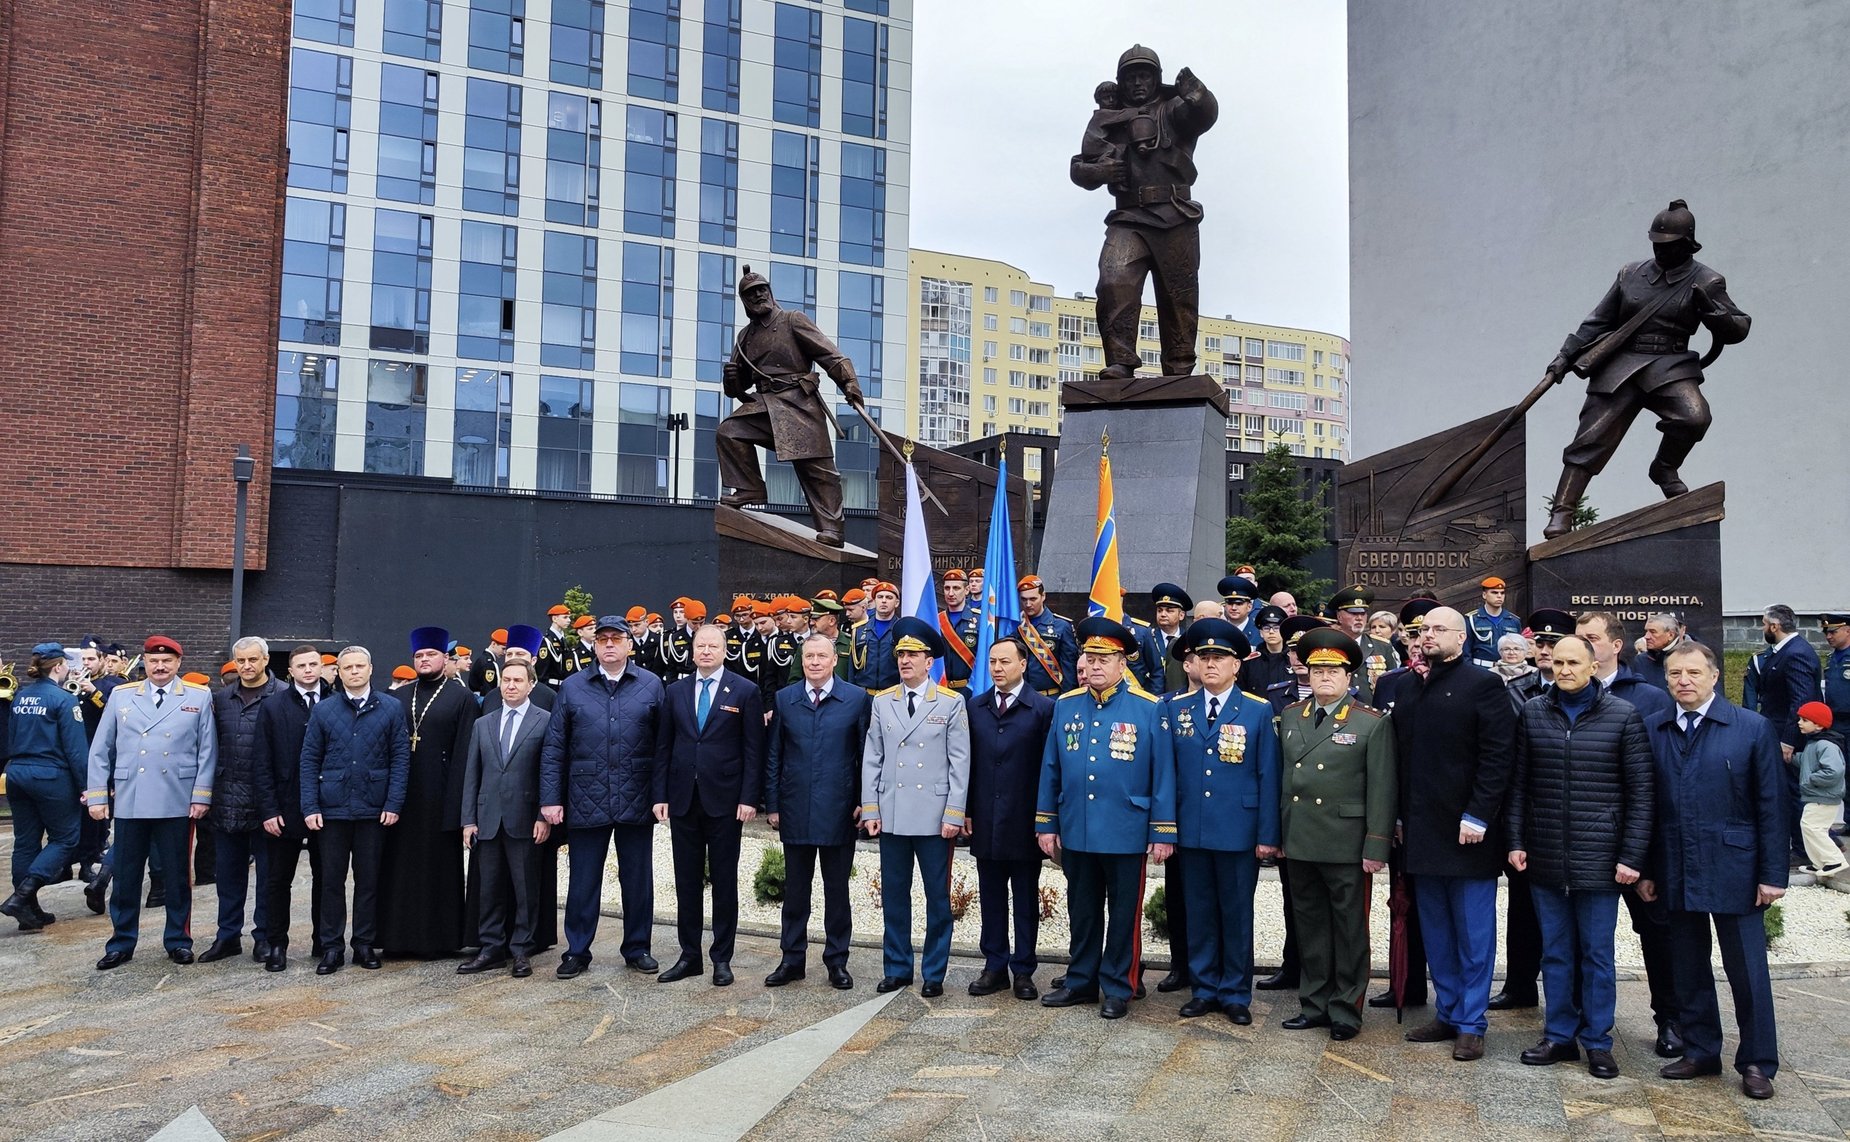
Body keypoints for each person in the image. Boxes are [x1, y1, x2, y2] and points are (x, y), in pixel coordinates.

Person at [1541, 199, 1752, 539]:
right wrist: (1564, 356)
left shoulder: (1708, 280)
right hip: (1622, 364)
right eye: (1656, 243)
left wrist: (1711, 309)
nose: (1660, 250)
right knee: (1590, 437)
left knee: (1694, 416)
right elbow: (1598, 321)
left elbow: (1738, 329)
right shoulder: (1630, 274)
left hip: (1669, 365)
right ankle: (1562, 512)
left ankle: (1664, 467)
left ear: (1687, 244)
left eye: (1668, 245)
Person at [1506, 634, 1656, 1079]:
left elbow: (1641, 793)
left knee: (1596, 955)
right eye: (1558, 662)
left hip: (1601, 859)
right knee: (1555, 953)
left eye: (1575, 662)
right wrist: (1515, 841)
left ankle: (1597, 1041)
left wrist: (1631, 855)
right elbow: (1518, 785)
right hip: (1546, 855)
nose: (1565, 669)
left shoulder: (1623, 716)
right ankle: (1558, 1035)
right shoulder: (1534, 713)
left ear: (1594, 666)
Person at [1641, 642, 1785, 1100]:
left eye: (1693, 673)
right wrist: (1646, 868)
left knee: (1747, 970)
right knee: (1687, 966)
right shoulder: (1654, 728)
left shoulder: (1750, 727)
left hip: (1736, 866)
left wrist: (1773, 874)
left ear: (1715, 676)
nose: (1683, 680)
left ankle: (1758, 1062)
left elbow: (1772, 805)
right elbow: (1646, 805)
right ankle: (1701, 1050)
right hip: (1675, 864)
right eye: (1675, 674)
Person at [1390, 607, 1515, 1062]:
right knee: (1438, 931)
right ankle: (1447, 1011)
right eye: (1423, 630)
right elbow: (1399, 759)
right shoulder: (1407, 687)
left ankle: (1472, 1022)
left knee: (1473, 932)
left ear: (1462, 638)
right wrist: (1398, 817)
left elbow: (1498, 755)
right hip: (1421, 829)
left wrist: (1480, 814)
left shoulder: (1483, 685)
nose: (1428, 635)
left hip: (1468, 831)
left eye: (1438, 629)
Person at [1036, 617, 1177, 1020]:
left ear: (1122, 664)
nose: (1095, 666)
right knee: (1081, 910)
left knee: (1122, 914)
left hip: (1126, 829)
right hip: (1077, 826)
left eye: (1105, 659)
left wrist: (1162, 831)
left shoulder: (1149, 708)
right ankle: (1080, 980)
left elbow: (1163, 773)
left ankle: (1118, 985)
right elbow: (1051, 768)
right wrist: (1046, 823)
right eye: (1090, 657)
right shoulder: (1066, 705)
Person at [1069, 45, 1218, 379]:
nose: (1138, 83)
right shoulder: (1107, 119)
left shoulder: (1173, 109)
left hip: (1175, 213)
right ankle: (1120, 361)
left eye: (1144, 76)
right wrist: (1102, 173)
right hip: (1129, 218)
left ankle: (1179, 369)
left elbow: (1204, 114)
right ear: (1121, 82)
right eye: (1131, 77)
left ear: (1156, 80)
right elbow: (1082, 167)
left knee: (1178, 294)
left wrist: (1196, 92)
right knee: (1113, 280)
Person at [1575, 609, 1686, 1055]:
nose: (1581, 645)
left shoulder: (1650, 698)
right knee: (1585, 938)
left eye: (1591, 638)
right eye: (1577, 637)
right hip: (1585, 839)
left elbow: (1661, 776)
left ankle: (1671, 1020)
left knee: (1657, 934)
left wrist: (1647, 854)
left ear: (1616, 645)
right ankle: (1584, 1019)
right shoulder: (1564, 693)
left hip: (1638, 842)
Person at [1277, 628, 1396, 1042]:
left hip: (1345, 842)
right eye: (1317, 669)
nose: (1325, 676)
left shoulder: (1371, 722)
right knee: (1309, 926)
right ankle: (1314, 1004)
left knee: (1348, 930)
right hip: (1301, 838)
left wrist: (1376, 844)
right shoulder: (1293, 716)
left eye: (1334, 670)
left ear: (1350, 677)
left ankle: (1346, 1008)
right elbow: (1283, 779)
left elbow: (1383, 787)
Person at [1164, 619, 1279, 1026]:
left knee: (1235, 913)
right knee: (1198, 911)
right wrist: (1165, 828)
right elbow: (1166, 773)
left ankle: (1234, 992)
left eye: (1220, 657)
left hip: (1238, 830)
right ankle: (1204, 987)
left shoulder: (1257, 710)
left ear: (1237, 666)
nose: (1210, 664)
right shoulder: (1175, 709)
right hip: (1191, 828)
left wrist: (1267, 835)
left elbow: (1268, 775)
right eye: (1204, 657)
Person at [540, 615, 665, 980]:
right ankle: (577, 950)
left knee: (638, 878)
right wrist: (551, 798)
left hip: (636, 795)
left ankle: (638, 947)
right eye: (602, 639)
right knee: (583, 879)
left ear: (630, 644)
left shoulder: (651, 685)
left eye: (616, 638)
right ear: (594, 645)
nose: (609, 644)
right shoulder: (573, 686)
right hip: (585, 794)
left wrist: (661, 795)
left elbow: (663, 748)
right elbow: (554, 747)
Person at [85, 635, 217, 970]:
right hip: (132, 798)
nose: (160, 667)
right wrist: (98, 796)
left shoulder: (198, 697)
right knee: (126, 878)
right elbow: (101, 749)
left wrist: (201, 795)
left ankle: (178, 941)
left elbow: (207, 751)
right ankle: (121, 943)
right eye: (153, 661)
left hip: (176, 798)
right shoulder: (122, 695)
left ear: (178, 664)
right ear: (144, 662)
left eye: (167, 661)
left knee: (175, 878)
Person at [861, 617, 971, 998]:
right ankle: (897, 967)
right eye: (901, 654)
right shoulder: (883, 701)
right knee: (894, 894)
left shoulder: (950, 703)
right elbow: (872, 756)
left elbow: (960, 761)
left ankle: (934, 972)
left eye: (913, 654)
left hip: (933, 814)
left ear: (930, 661)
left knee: (937, 899)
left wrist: (954, 812)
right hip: (892, 812)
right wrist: (871, 809)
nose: (905, 660)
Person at [718, 265, 867, 545]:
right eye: (751, 294)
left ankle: (832, 528)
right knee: (729, 431)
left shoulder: (792, 320)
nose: (758, 296)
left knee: (817, 469)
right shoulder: (745, 337)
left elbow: (831, 355)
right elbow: (738, 389)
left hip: (799, 404)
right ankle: (750, 488)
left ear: (770, 292)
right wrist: (731, 380)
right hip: (765, 405)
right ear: (745, 302)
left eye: (762, 290)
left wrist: (849, 384)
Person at [651, 625, 765, 988]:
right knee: (686, 881)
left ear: (724, 650)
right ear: (693, 650)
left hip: (726, 801)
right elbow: (664, 746)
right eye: (700, 646)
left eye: (713, 646)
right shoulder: (676, 691)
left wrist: (749, 798)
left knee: (723, 880)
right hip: (684, 799)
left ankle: (721, 957)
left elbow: (753, 750)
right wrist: (660, 795)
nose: (705, 651)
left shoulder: (745, 691)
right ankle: (689, 955)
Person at [764, 634, 873, 990]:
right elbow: (774, 755)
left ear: (833, 660)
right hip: (795, 806)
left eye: (821, 656)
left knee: (836, 891)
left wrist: (862, 801)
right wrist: (774, 803)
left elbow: (865, 757)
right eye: (808, 656)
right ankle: (791, 958)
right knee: (795, 891)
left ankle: (837, 961)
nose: (814, 662)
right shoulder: (785, 699)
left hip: (839, 808)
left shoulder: (856, 699)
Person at [301, 646, 409, 975]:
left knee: (369, 881)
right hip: (331, 810)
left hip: (373, 810)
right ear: (338, 672)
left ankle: (363, 943)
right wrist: (310, 806)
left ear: (371, 668)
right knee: (331, 882)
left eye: (359, 666)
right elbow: (308, 760)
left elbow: (401, 759)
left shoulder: (391, 708)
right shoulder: (323, 710)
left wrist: (393, 803)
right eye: (347, 667)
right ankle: (331, 947)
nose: (354, 672)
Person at [963, 635, 1055, 1000]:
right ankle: (995, 965)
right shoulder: (976, 707)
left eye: (1005, 662)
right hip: (986, 817)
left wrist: (1045, 820)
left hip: (1024, 819)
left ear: (1023, 664)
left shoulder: (1043, 709)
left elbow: (1049, 769)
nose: (997, 669)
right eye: (992, 662)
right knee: (990, 895)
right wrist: (968, 810)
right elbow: (967, 764)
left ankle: (1024, 969)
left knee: (1025, 898)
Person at [379, 626, 478, 958]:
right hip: (403, 796)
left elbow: (466, 752)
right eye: (419, 656)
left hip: (440, 796)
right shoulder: (399, 697)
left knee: (437, 869)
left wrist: (460, 808)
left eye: (431, 654)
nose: (424, 660)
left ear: (444, 658)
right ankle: (396, 939)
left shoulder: (461, 697)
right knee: (399, 867)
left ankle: (439, 940)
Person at [458, 660, 552, 978]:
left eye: (517, 680)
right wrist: (468, 819)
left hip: (524, 818)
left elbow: (548, 772)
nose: (510, 685)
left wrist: (543, 815)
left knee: (525, 887)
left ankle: (522, 950)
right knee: (488, 887)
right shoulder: (484, 723)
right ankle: (491, 948)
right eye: (506, 680)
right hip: (487, 819)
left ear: (530, 685)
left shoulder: (545, 721)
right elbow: (472, 774)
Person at [199, 636, 286, 964]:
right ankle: (227, 936)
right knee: (229, 875)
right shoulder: (222, 698)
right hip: (228, 799)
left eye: (253, 660)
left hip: (267, 802)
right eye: (241, 661)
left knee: (267, 876)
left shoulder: (282, 696)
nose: (246, 666)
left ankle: (263, 936)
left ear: (265, 660)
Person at [251, 644, 333, 972]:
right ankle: (276, 944)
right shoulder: (273, 707)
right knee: (277, 880)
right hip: (284, 808)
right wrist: (269, 810)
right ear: (291, 670)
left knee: (326, 878)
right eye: (301, 665)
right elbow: (261, 762)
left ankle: (323, 941)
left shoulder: (336, 701)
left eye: (314, 664)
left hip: (328, 809)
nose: (309, 670)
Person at [2, 644, 88, 931]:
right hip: (50, 775)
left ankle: (28, 909)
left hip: (17, 771)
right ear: (59, 666)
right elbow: (76, 751)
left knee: (25, 841)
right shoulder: (64, 699)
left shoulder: (20, 696)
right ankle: (22, 895)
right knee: (65, 839)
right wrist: (88, 786)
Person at [1756, 604, 1823, 862]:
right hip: (1777, 731)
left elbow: (1801, 701)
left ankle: (1804, 850)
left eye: (1763, 624)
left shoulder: (1796, 654)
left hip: (1790, 737)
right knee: (1786, 791)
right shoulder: (1783, 652)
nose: (1762, 629)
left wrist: (1788, 740)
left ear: (1774, 626)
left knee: (1794, 792)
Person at [1792, 702, 1845, 875]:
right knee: (1809, 827)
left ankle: (1834, 860)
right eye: (1800, 718)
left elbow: (1834, 771)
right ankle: (1818, 862)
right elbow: (1808, 762)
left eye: (1805, 720)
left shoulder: (1825, 745)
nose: (1800, 722)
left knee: (1812, 828)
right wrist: (1792, 759)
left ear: (1819, 724)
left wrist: (1811, 779)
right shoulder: (1814, 743)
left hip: (1823, 797)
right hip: (1816, 796)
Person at [1017, 575, 1078, 697]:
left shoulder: (1061, 626)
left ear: (1043, 596)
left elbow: (1069, 668)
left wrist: (1066, 699)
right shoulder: (1015, 625)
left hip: (1050, 697)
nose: (1028, 604)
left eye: (1033, 599)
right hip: (1020, 697)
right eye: (1024, 599)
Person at [850, 582, 902, 691]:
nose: (884, 600)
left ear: (896, 603)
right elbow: (852, 669)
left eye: (889, 597)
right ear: (874, 601)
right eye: (880, 597)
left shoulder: (902, 630)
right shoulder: (859, 630)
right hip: (863, 695)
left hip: (892, 694)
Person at [1464, 577, 1522, 669]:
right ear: (1484, 595)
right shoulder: (1472, 619)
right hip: (1481, 669)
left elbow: (1519, 648)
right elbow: (1465, 652)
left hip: (1508, 670)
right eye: (1494, 592)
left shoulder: (1513, 620)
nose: (1499, 596)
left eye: (1502, 593)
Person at [1242, 604, 1291, 695]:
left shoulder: (1292, 660)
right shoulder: (1250, 662)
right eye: (1266, 628)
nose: (1271, 632)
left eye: (1276, 628)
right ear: (1261, 633)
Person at [538, 604, 573, 688]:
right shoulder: (546, 641)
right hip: (551, 687)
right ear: (554, 619)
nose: (569, 620)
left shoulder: (563, 640)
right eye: (565, 617)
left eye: (569, 617)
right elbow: (542, 672)